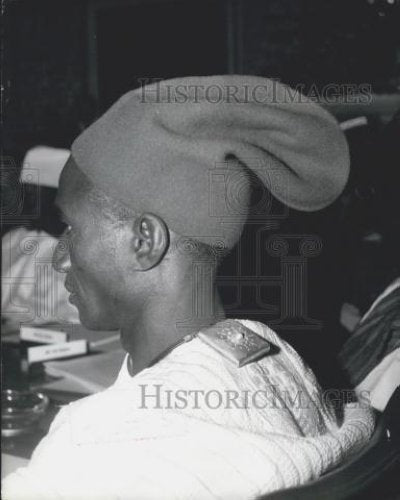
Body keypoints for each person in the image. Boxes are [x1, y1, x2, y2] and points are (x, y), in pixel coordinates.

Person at [3, 76, 374, 499]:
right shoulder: (277, 357)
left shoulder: (91, 444)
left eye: (71, 228)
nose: (59, 256)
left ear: (146, 241)